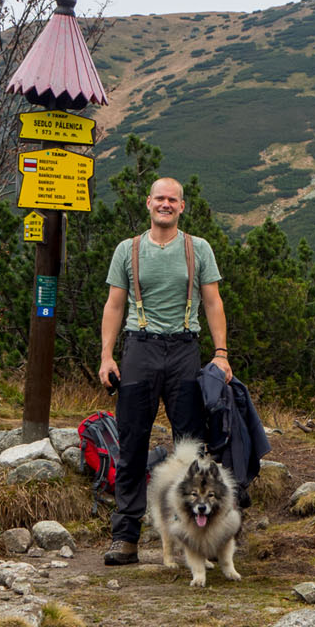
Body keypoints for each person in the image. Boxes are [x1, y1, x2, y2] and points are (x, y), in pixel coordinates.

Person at [98, 177, 231, 565]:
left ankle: (198, 541)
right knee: (132, 445)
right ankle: (125, 538)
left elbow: (213, 302)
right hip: (140, 348)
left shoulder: (198, 249)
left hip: (184, 350)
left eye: (173, 199)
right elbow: (114, 305)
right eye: (160, 198)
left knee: (191, 448)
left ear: (182, 207)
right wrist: (107, 356)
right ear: (148, 203)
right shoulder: (128, 250)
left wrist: (220, 353)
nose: (166, 204)